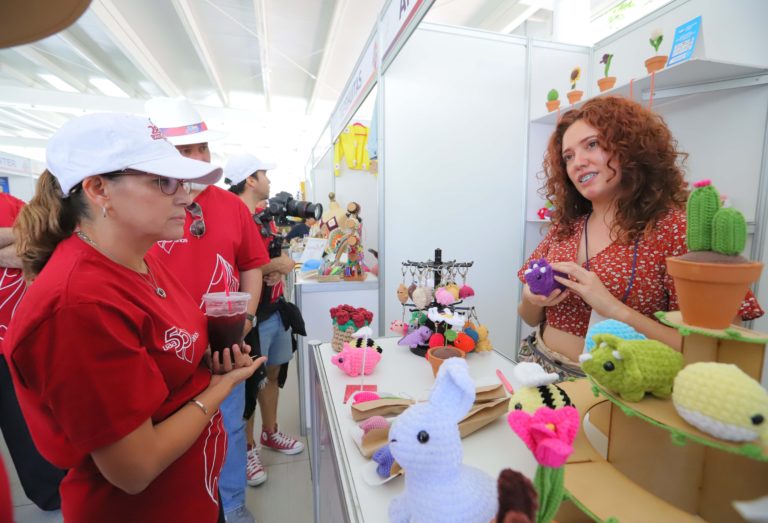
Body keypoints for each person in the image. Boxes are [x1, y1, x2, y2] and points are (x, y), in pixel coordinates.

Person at [4, 113, 264, 522]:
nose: (185, 196)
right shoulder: (79, 306)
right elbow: (135, 469)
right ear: (98, 189)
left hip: (192, 497)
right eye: (164, 182)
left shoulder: (141, 261)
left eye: (182, 182)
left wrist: (207, 360)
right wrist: (220, 385)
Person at [517, 96, 763, 378]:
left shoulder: (674, 230)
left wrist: (616, 310)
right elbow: (529, 316)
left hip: (616, 394)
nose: (577, 163)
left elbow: (717, 351)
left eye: (592, 144)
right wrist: (530, 299)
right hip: (538, 371)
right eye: (568, 156)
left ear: (630, 147)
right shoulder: (567, 227)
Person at [145, 98, 270, 523]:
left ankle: (232, 505)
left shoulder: (230, 205)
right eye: (185, 151)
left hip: (223, 345)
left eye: (202, 147)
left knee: (230, 426)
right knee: (167, 437)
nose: (198, 158)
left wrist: (247, 319)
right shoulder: (145, 208)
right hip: (160, 352)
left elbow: (252, 264)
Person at [224, 154, 304, 489]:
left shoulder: (264, 216)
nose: (269, 180)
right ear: (250, 180)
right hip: (249, 319)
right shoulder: (230, 217)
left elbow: (265, 260)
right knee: (248, 383)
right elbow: (240, 265)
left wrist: (277, 264)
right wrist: (277, 265)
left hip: (274, 310)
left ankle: (270, 433)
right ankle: (248, 448)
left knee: (273, 374)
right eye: (264, 174)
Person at [0, 191, 67, 513]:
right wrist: (12, 241)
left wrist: (21, 242)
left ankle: (53, 494)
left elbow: (41, 244)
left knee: (26, 424)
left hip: (13, 338)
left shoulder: (12, 205)